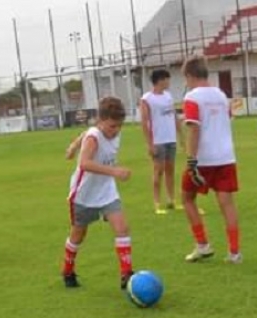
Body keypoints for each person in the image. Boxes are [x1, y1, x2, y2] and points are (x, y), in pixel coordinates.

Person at [60, 97, 134, 289]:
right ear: (101, 121)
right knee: (78, 234)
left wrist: (73, 146)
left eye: (119, 125)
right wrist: (114, 171)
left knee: (122, 228)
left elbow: (85, 132)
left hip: (107, 191)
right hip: (84, 194)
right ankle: (67, 270)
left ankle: (126, 275)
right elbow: (84, 163)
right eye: (112, 126)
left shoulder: (108, 132)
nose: (116, 130)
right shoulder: (94, 137)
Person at [178, 56, 242, 264]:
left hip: (204, 158)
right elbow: (227, 120)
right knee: (227, 203)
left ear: (190, 76)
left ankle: (202, 245)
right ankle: (234, 252)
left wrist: (191, 161)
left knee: (187, 198)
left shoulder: (192, 98)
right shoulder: (221, 95)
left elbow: (194, 129)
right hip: (225, 156)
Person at [139, 68, 181, 214]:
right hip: (158, 140)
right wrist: (149, 144)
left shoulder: (168, 96)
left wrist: (180, 136)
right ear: (160, 80)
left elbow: (174, 116)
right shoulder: (147, 99)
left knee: (170, 170)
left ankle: (171, 200)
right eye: (167, 79)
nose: (169, 82)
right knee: (158, 171)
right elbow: (144, 122)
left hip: (171, 138)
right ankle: (157, 203)